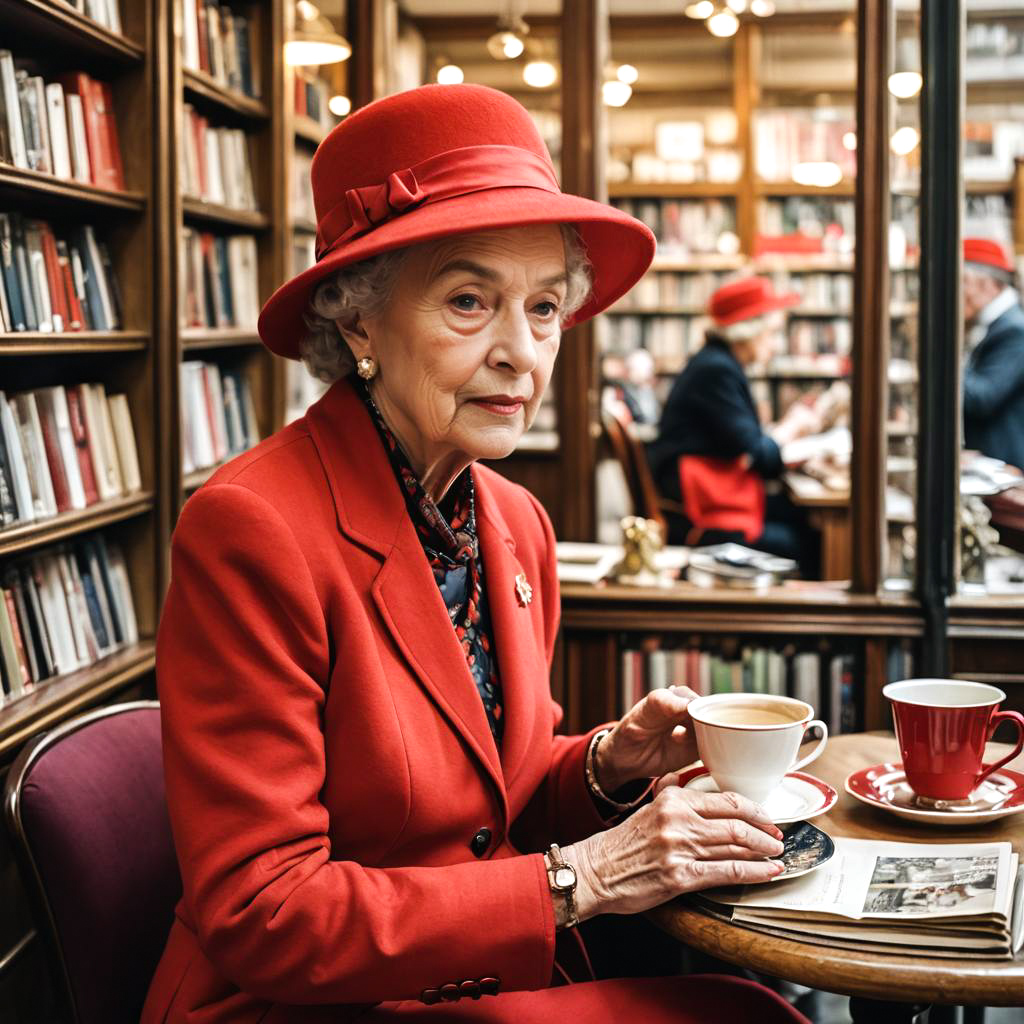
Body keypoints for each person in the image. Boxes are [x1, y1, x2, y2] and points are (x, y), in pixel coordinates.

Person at [141, 85, 807, 1024]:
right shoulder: (250, 527)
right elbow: (265, 914)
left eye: (543, 309)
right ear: (356, 319)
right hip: (307, 1004)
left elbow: (493, 806)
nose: (522, 355)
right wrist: (583, 877)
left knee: (749, 1000)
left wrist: (609, 766)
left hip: (477, 977)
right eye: (469, 301)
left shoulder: (515, 521)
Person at [646, 276, 821, 575]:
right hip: (701, 518)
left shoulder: (716, 363)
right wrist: (792, 426)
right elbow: (760, 455)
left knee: (800, 517)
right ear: (747, 332)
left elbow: (747, 445)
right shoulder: (717, 370)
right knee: (808, 539)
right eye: (772, 333)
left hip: (703, 500)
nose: (776, 345)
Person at [962, 237, 1024, 471]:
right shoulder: (992, 325)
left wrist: (942, 356)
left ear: (989, 284)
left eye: (964, 282)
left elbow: (983, 397)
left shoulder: (1014, 330)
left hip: (1007, 468)